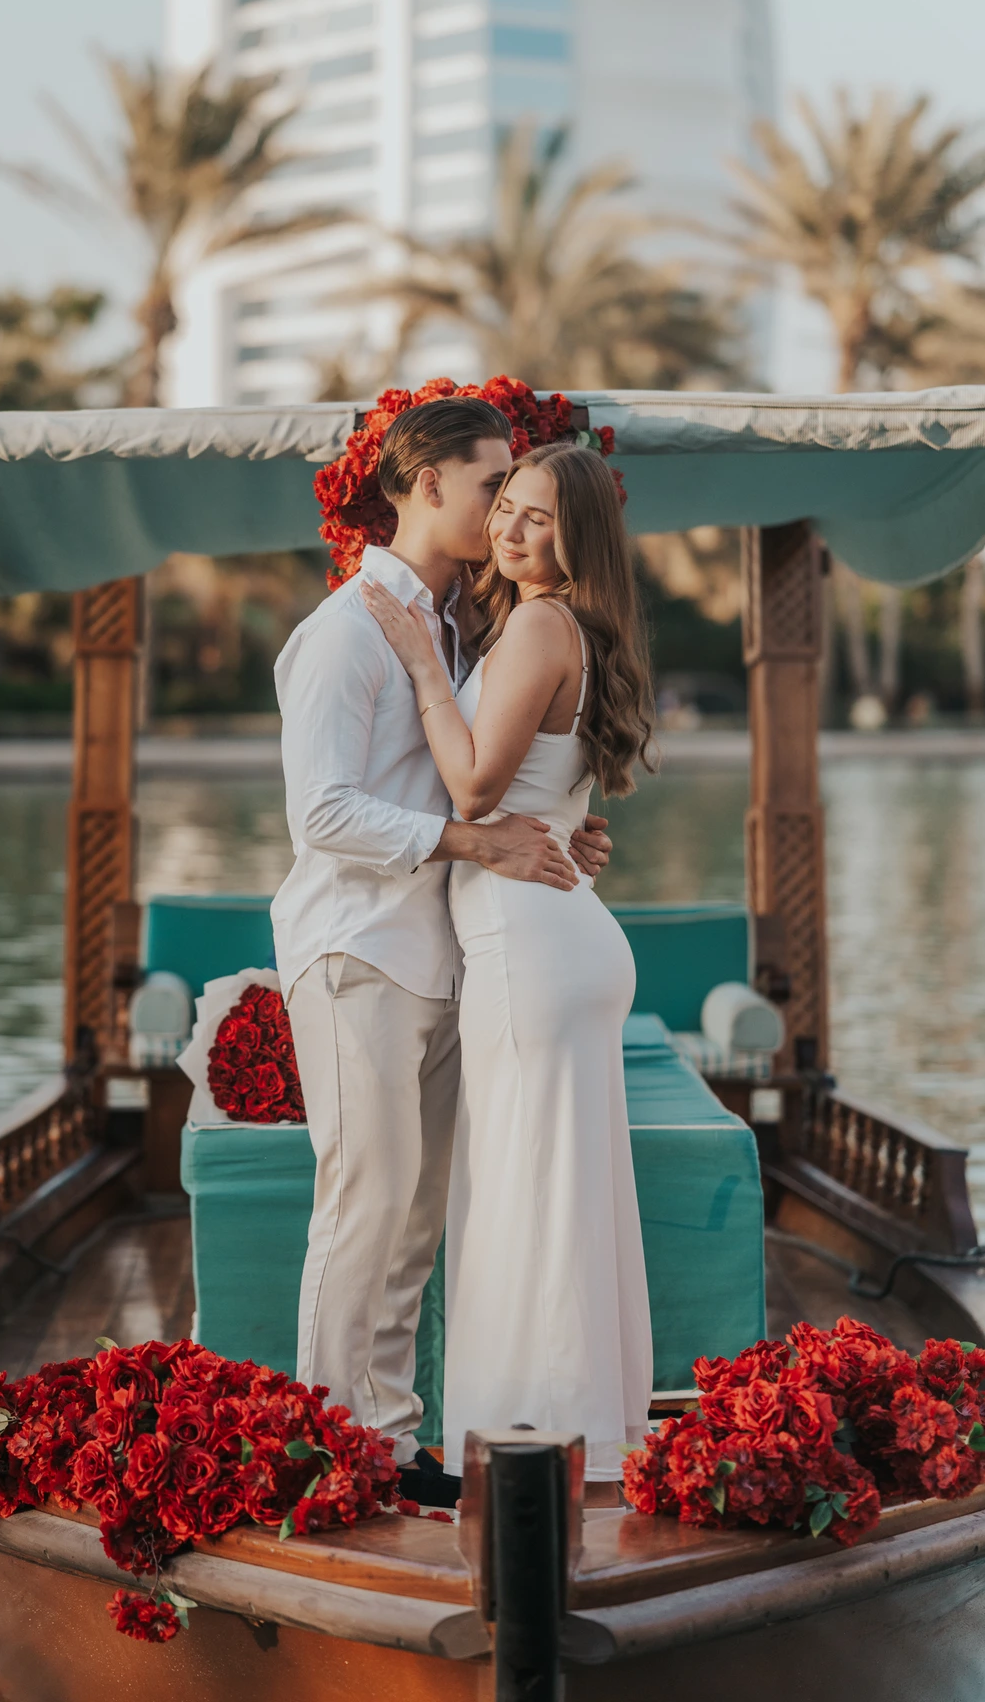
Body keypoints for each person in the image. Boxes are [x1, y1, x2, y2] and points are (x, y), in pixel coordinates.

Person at [271, 396, 613, 1507]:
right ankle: (328, 1446)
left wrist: (557, 830)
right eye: (487, 489)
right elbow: (320, 811)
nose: (503, 509)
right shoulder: (342, 633)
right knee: (362, 1204)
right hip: (357, 950)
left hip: (449, 954)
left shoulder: (464, 624)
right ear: (424, 489)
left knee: (413, 1221)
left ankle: (390, 1440)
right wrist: (470, 836)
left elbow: (490, 762)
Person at [361, 441, 655, 1483]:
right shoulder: (566, 624)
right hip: (557, 925)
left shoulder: (537, 621)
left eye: (537, 518)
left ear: (576, 537)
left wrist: (417, 663)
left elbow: (477, 791)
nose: (510, 531)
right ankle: (590, 1446)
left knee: (521, 1204)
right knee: (562, 1197)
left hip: (529, 944)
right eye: (508, 508)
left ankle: (531, 1456)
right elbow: (549, 791)